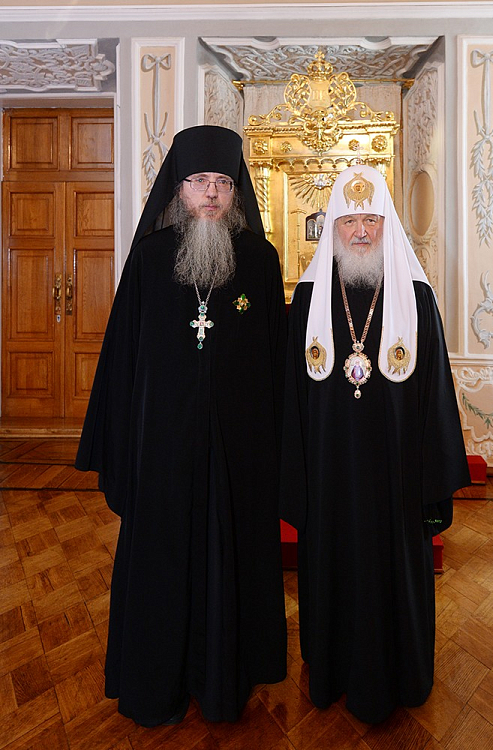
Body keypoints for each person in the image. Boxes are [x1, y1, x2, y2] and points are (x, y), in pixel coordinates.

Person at [76, 125, 287, 727]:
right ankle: (157, 684)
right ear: (179, 188)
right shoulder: (149, 259)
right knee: (161, 567)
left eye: (222, 182)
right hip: (162, 453)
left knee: (233, 561)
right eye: (199, 181)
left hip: (239, 453)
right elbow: (122, 359)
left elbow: (276, 363)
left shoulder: (259, 260)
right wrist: (121, 444)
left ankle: (226, 682)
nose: (211, 194)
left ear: (236, 190)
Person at [281, 164, 471, 724]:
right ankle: (332, 670)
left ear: (387, 223)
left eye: (371, 219)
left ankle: (401, 671)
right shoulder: (308, 300)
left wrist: (431, 481)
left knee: (394, 569)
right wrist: (295, 473)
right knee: (331, 567)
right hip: (329, 474)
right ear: (331, 228)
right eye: (349, 221)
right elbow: (291, 396)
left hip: (397, 477)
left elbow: (435, 392)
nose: (361, 231)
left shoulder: (417, 297)